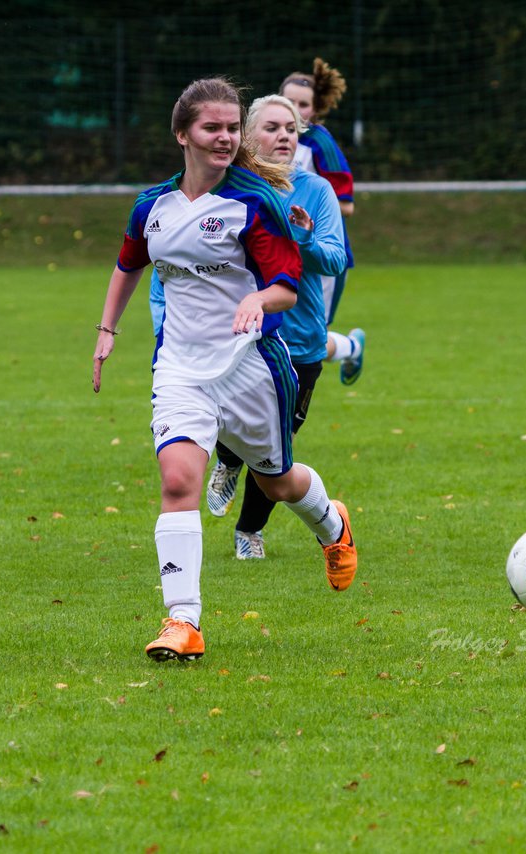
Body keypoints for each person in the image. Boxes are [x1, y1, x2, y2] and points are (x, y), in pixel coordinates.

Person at [93, 78, 359, 663]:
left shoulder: (254, 201)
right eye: (212, 127)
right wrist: (107, 329)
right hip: (181, 369)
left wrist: (257, 301)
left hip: (251, 368)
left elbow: (289, 287)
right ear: (182, 133)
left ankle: (331, 522)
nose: (225, 137)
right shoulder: (152, 206)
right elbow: (127, 263)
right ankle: (182, 622)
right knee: (179, 482)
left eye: (232, 128)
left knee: (276, 482)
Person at [196, 94, 349, 561]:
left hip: (299, 339)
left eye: (292, 130)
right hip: (237, 337)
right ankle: (226, 459)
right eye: (273, 127)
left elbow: (336, 258)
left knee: (277, 445)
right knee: (227, 419)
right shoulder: (227, 187)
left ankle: (249, 530)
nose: (284, 137)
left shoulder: (316, 191)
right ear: (247, 135)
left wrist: (302, 239)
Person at [280, 58, 366, 386]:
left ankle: (352, 347)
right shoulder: (267, 140)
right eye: (289, 102)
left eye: (303, 105)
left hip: (318, 253)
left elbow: (346, 205)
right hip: (283, 250)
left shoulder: (319, 142)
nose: (295, 110)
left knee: (309, 339)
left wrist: (306, 211)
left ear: (315, 110)